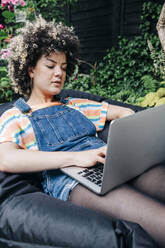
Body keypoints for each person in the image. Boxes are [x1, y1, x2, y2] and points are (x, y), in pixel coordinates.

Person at [0, 16, 165, 247]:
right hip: (72, 180)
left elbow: (125, 113)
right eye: (50, 65)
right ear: (30, 69)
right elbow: (7, 159)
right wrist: (76, 157)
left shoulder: (75, 104)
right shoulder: (15, 116)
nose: (59, 73)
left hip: (113, 164)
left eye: (64, 68)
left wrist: (126, 146)